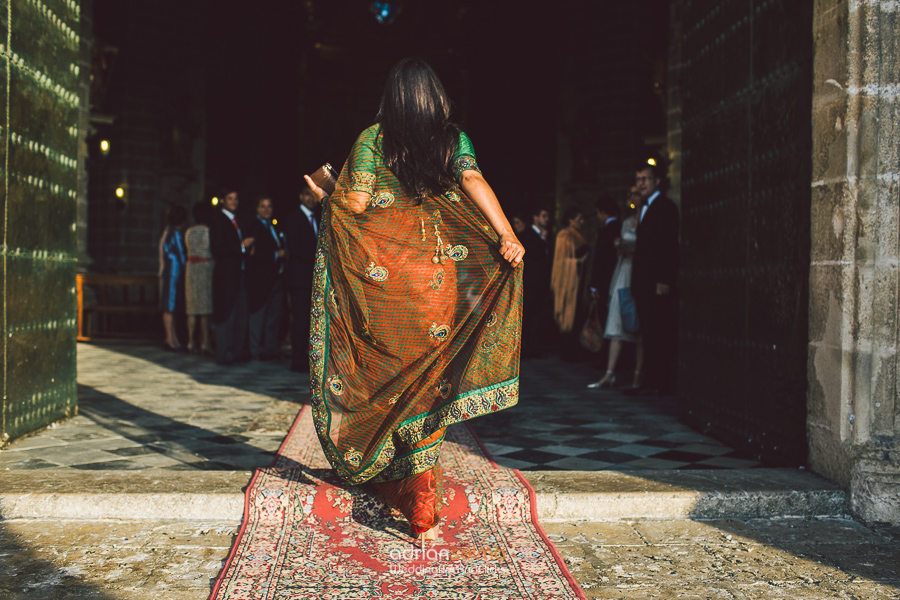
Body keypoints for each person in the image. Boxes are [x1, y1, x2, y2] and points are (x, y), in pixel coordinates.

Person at [302, 58, 524, 547]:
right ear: (435, 97)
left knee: (381, 377)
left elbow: (356, 205)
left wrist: (324, 193)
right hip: (435, 283)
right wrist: (508, 236)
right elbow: (473, 182)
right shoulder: (452, 139)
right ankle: (422, 509)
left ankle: (387, 473)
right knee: (427, 386)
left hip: (384, 286)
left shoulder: (372, 138)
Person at [625, 162, 679, 397]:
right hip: (642, 282)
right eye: (638, 179)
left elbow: (667, 246)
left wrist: (664, 279)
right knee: (647, 332)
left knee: (659, 332)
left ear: (657, 181)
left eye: (646, 178)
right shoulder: (643, 207)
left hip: (656, 283)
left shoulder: (666, 207)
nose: (641, 183)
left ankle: (661, 383)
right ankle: (650, 381)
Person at [589, 188, 644, 389]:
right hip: (622, 270)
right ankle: (609, 373)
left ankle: (637, 375)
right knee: (615, 319)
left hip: (637, 272)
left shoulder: (642, 221)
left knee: (638, 322)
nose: (633, 196)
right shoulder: (625, 223)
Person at [210, 188, 253, 365]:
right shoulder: (218, 220)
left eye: (236, 198)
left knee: (240, 315)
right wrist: (242, 247)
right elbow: (217, 249)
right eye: (230, 198)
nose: (234, 201)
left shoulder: (237, 220)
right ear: (222, 201)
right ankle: (224, 353)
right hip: (226, 277)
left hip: (239, 275)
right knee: (226, 315)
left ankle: (235, 352)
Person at [282, 186, 320, 372]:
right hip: (299, 278)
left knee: (312, 320)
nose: (311, 199)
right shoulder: (294, 218)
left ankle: (308, 356)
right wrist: (318, 256)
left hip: (313, 278)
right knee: (300, 319)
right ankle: (297, 359)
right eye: (307, 195)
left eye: (313, 195)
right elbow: (295, 248)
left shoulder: (318, 218)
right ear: (300, 197)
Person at [245, 196, 286, 360]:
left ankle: (270, 348)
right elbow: (253, 255)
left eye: (269, 206)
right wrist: (276, 255)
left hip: (277, 277)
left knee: (274, 316)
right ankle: (255, 349)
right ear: (257, 208)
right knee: (258, 315)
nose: (266, 209)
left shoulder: (274, 226)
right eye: (263, 206)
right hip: (260, 280)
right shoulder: (253, 227)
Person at [551, 206, 589, 356]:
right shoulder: (564, 235)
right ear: (570, 220)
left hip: (578, 281)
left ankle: (574, 349)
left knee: (578, 314)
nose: (582, 221)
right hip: (568, 281)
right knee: (569, 313)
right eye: (579, 219)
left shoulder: (577, 235)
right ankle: (567, 351)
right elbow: (560, 261)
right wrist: (578, 262)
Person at [587, 196, 622, 353]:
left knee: (604, 318)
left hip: (604, 281)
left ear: (603, 212)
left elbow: (599, 260)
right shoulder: (621, 227)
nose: (598, 217)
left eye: (598, 213)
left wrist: (594, 284)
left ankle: (603, 354)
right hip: (619, 278)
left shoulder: (605, 231)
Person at [519, 205, 553, 357]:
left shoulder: (547, 236)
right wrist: (543, 240)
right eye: (544, 216)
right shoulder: (526, 235)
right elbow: (533, 257)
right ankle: (522, 348)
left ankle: (533, 346)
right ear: (536, 217)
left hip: (542, 283)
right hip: (530, 283)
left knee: (537, 316)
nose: (547, 219)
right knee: (526, 315)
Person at [185, 202, 215, 356]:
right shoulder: (208, 232)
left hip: (191, 269)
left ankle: (191, 342)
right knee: (204, 309)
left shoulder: (189, 232)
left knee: (192, 308)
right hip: (205, 269)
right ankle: (205, 342)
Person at [158, 205, 187, 351]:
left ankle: (173, 338)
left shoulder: (168, 232)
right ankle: (170, 339)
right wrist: (187, 268)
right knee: (169, 306)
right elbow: (181, 254)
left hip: (169, 272)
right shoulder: (175, 233)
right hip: (173, 273)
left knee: (171, 307)